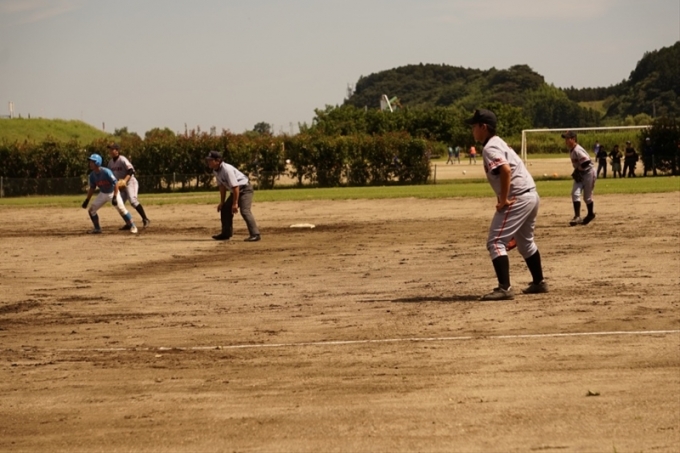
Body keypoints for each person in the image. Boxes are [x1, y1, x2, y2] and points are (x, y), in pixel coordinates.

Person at [465, 109, 548, 301]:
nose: (472, 129)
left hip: (517, 198)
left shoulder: (489, 148)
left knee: (495, 242)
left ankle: (504, 288)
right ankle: (539, 282)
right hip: (531, 195)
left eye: (474, 126)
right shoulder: (498, 142)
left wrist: (503, 200)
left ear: (483, 127)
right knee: (525, 243)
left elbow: (505, 170)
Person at [205, 150, 261, 242]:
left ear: (218, 160)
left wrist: (235, 204)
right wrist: (222, 202)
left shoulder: (227, 170)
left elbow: (235, 187)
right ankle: (226, 233)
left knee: (245, 211)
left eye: (211, 160)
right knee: (225, 208)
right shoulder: (215, 170)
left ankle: (255, 234)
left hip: (245, 189)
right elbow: (222, 186)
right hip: (236, 190)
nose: (208, 162)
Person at [81, 154, 138, 234]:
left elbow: (116, 184)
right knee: (91, 210)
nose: (90, 163)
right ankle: (97, 229)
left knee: (121, 209)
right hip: (103, 193)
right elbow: (92, 188)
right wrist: (87, 200)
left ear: (97, 162)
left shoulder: (106, 172)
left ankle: (133, 226)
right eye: (90, 162)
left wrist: (115, 197)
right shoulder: (92, 175)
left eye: (92, 162)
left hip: (112, 192)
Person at [106, 143, 151, 229]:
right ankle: (129, 223)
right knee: (119, 204)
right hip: (120, 185)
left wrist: (125, 181)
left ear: (117, 151)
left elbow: (131, 171)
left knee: (133, 201)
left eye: (112, 149)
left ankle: (145, 219)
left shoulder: (122, 159)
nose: (110, 151)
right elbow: (109, 175)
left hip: (130, 182)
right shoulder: (110, 163)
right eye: (110, 149)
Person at [563, 131, 596, 227]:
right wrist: (578, 171)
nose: (566, 141)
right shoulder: (572, 149)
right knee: (575, 193)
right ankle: (577, 216)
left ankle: (590, 214)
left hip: (589, 173)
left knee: (587, 197)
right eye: (565, 139)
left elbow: (587, 162)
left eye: (568, 138)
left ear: (573, 139)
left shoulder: (578, 150)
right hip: (581, 174)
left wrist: (577, 170)